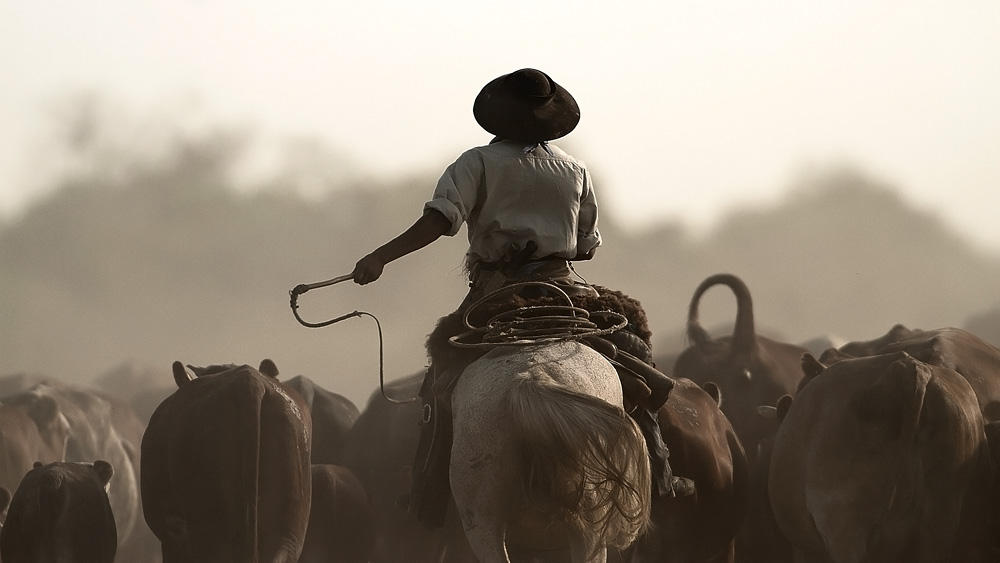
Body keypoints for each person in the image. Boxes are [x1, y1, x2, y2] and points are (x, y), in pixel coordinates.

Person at [352, 68, 692, 529]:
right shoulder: (575, 169)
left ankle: (427, 491)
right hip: (567, 287)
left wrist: (380, 257)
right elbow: (587, 245)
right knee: (631, 349)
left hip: (500, 292)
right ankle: (662, 474)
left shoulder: (475, 163)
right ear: (550, 119)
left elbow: (439, 221)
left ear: (497, 117)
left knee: (443, 374)